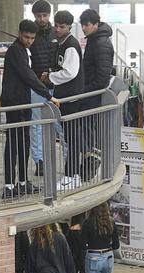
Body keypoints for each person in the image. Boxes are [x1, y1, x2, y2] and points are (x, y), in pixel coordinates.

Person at [0, 20, 59, 199]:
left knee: (23, 142)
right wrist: (48, 95)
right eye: (26, 37)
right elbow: (27, 75)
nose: (29, 41)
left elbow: (28, 76)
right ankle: (9, 185)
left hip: (22, 101)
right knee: (13, 142)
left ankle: (22, 182)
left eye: (32, 38)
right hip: (14, 102)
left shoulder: (23, 50)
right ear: (19, 33)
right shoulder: (16, 50)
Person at [49, 10, 85, 184]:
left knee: (71, 139)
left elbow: (70, 72)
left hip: (71, 98)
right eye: (56, 25)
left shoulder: (70, 45)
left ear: (69, 26)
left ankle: (71, 175)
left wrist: (50, 77)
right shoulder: (62, 43)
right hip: (66, 97)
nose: (58, 29)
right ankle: (73, 174)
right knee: (70, 138)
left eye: (61, 26)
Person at [28, 0, 57, 176]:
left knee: (59, 125)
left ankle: (68, 160)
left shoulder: (57, 33)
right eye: (38, 16)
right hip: (37, 87)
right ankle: (39, 161)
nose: (42, 19)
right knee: (36, 126)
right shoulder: (30, 34)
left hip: (56, 86)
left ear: (49, 15)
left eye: (44, 15)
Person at [81, 202, 119, 273]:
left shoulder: (88, 222)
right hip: (108, 257)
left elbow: (82, 245)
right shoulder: (111, 222)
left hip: (93, 257)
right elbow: (116, 245)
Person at [79, 9, 114, 112]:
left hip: (93, 94)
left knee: (88, 126)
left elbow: (102, 77)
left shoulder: (101, 43)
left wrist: (83, 90)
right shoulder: (94, 39)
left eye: (87, 25)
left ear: (96, 24)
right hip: (90, 92)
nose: (83, 28)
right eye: (82, 25)